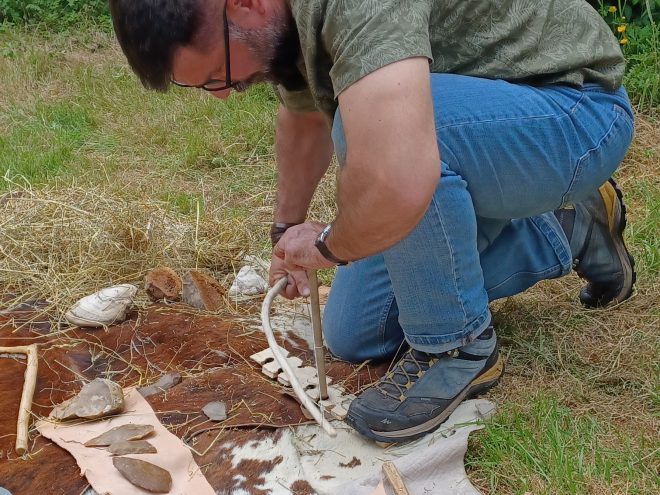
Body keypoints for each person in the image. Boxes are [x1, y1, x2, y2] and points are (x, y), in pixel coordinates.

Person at [108, 0, 636, 443]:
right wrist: (284, 233)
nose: (223, 93)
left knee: (379, 137)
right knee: (356, 333)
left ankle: (456, 348)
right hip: (489, 134)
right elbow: (302, 115)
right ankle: (566, 230)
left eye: (216, 76)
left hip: (576, 111)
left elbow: (397, 175)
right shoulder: (281, 27)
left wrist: (329, 247)